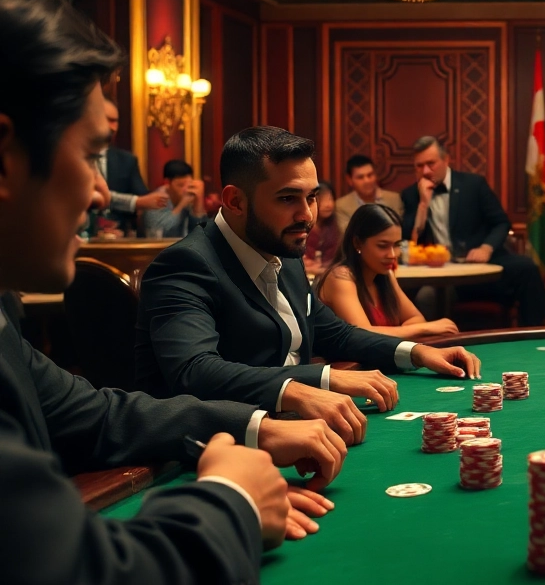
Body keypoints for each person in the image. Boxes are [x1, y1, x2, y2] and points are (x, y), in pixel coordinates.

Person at [0, 0, 349, 585]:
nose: (104, 195)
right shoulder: (187, 264)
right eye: (94, 155)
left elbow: (101, 413)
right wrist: (231, 502)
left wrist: (253, 427)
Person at [135, 126, 483, 446]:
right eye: (288, 198)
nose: (307, 215)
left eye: (311, 197)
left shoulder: (285, 252)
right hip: (221, 449)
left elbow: (335, 333)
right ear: (235, 201)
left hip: (303, 432)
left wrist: (417, 352)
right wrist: (315, 382)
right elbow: (194, 370)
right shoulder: (185, 265)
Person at [400, 136, 545, 326]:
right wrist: (423, 204)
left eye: (431, 163)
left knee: (526, 268)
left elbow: (501, 222)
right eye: (419, 166)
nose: (425, 171)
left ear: (446, 160)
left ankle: (532, 336)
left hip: (480, 264)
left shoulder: (473, 184)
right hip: (443, 272)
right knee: (427, 297)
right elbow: (408, 241)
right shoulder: (411, 194)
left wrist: (486, 248)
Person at [316, 203, 460, 342]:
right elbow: (361, 334)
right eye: (383, 246)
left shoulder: (385, 274)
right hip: (343, 365)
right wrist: (425, 329)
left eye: (397, 245)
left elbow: (415, 319)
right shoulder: (340, 277)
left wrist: (403, 332)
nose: (392, 254)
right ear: (357, 243)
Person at [96, 97, 168, 231]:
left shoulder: (126, 160)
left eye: (115, 121)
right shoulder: (77, 155)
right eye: (108, 120)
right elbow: (93, 193)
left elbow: (144, 198)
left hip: (119, 237)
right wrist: (136, 202)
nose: (112, 127)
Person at [336, 153, 403, 233]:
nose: (367, 181)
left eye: (370, 175)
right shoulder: (341, 206)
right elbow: (348, 235)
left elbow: (400, 230)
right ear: (350, 180)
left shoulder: (394, 199)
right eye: (360, 177)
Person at [141, 158, 206, 238]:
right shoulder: (155, 201)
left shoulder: (190, 196)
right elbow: (159, 234)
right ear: (167, 183)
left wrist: (198, 205)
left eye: (189, 184)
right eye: (181, 185)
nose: (186, 190)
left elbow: (200, 234)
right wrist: (182, 204)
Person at [304, 180, 339, 274]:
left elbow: (335, 258)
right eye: (323, 200)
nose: (328, 205)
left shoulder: (333, 225)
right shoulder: (305, 226)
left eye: (330, 199)